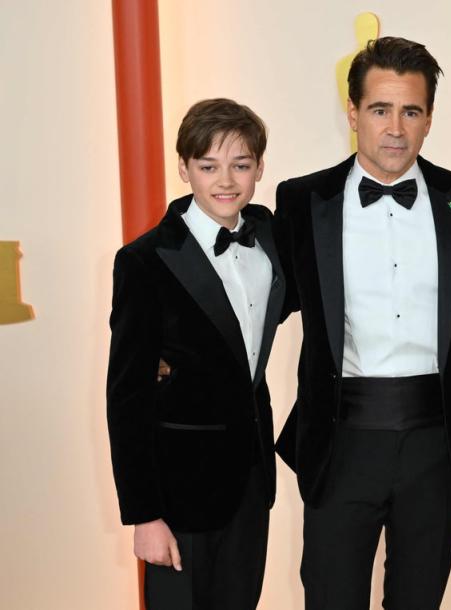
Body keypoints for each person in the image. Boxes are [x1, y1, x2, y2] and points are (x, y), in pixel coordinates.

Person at [272, 36, 451, 609]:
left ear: (428, 120)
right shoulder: (302, 200)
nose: (395, 128)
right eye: (380, 109)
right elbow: (259, 293)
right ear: (353, 113)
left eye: (410, 111)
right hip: (340, 441)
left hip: (438, 443)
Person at [106, 98, 284, 609]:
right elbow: (127, 397)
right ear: (184, 168)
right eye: (208, 166)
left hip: (251, 482)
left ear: (259, 168)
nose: (225, 181)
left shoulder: (270, 237)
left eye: (241, 165)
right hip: (177, 497)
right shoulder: (144, 261)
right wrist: (144, 515)